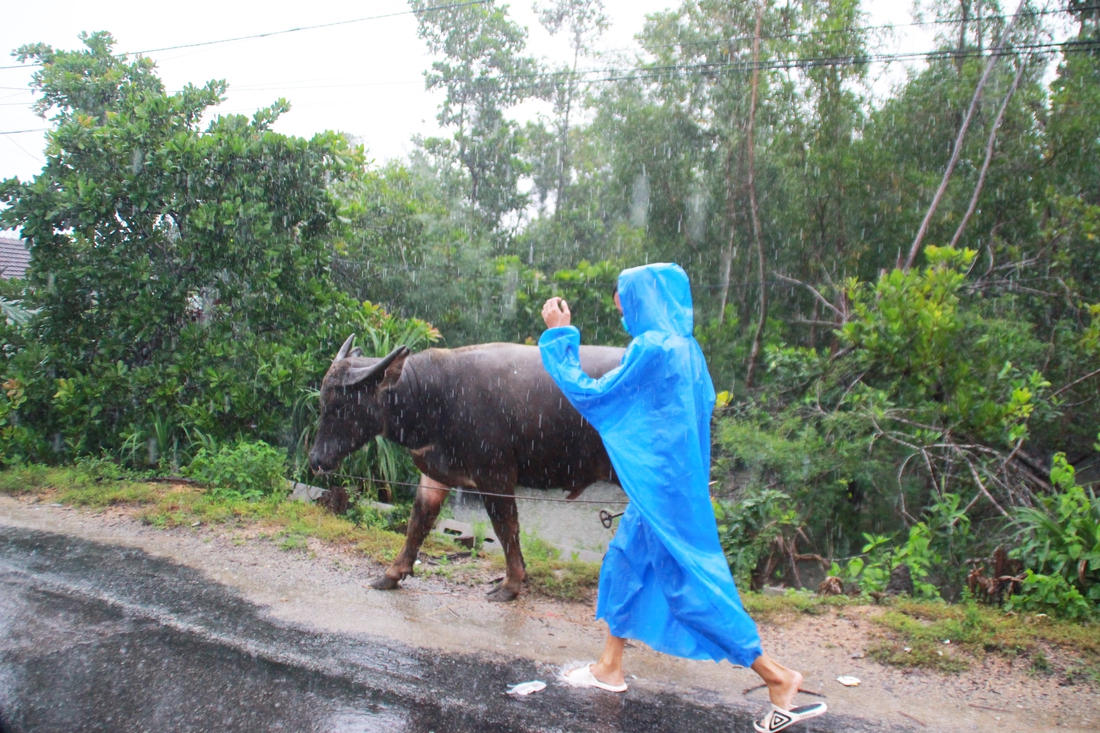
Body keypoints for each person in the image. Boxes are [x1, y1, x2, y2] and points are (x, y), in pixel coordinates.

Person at [538, 263, 827, 733]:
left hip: (663, 493)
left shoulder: (653, 349)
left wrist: (560, 335)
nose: (619, 302)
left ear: (646, 299)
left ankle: (778, 677)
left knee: (690, 590)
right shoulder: (688, 350)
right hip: (673, 485)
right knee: (626, 563)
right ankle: (609, 667)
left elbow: (593, 395)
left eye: (624, 294)